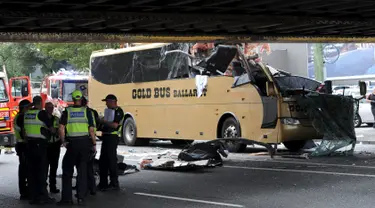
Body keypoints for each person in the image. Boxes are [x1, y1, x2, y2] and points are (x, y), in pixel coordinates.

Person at [57, 90, 96, 205]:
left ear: (73, 99)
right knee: (82, 171)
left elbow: (61, 127)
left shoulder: (67, 111)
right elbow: (91, 130)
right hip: (84, 144)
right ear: (81, 99)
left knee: (67, 171)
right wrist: (94, 144)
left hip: (72, 144)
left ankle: (67, 199)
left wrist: (63, 141)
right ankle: (81, 197)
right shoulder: (87, 111)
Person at [24, 96, 55, 205]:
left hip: (29, 145)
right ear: (41, 103)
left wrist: (30, 105)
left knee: (31, 172)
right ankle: (43, 197)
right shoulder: (41, 113)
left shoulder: (27, 113)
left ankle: (33, 197)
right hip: (39, 145)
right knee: (42, 171)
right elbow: (51, 128)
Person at [97, 94, 124, 191]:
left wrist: (103, 121)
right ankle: (103, 183)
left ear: (113, 101)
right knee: (103, 161)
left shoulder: (118, 111)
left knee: (111, 160)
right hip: (106, 136)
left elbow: (114, 125)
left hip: (112, 137)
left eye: (107, 102)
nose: (106, 104)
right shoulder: (108, 111)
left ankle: (114, 183)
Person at [81, 96, 99, 196]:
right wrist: (94, 143)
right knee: (89, 167)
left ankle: (84, 188)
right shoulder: (92, 112)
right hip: (90, 141)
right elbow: (96, 126)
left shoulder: (81, 112)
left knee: (82, 167)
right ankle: (92, 188)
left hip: (83, 141)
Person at [14, 99, 32, 200]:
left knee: (24, 168)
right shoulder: (21, 117)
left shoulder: (19, 116)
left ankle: (24, 191)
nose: (30, 109)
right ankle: (24, 192)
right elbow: (23, 132)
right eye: (29, 108)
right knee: (24, 169)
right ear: (25, 108)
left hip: (21, 145)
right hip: (23, 145)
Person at [44, 102, 61, 194]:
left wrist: (57, 132)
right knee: (45, 167)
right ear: (45, 108)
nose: (50, 109)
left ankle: (53, 186)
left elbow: (61, 130)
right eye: (48, 107)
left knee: (54, 167)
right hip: (46, 145)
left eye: (51, 107)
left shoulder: (56, 119)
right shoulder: (42, 119)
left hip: (55, 145)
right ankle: (44, 187)